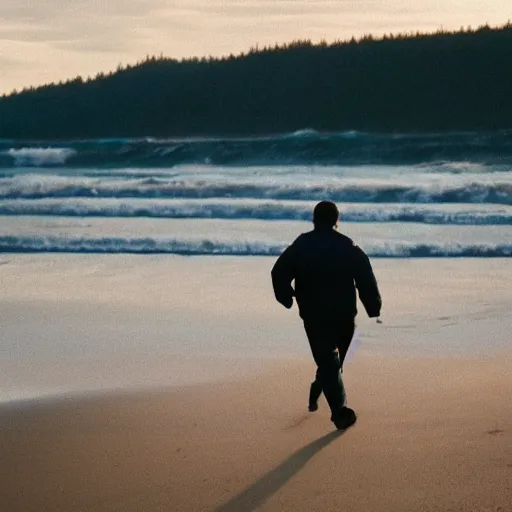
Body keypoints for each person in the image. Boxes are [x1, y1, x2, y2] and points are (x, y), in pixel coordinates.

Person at [271, 200, 382, 430]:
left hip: (314, 315)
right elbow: (365, 276)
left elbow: (279, 271)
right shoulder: (347, 245)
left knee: (330, 362)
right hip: (343, 315)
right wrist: (373, 307)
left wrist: (286, 297)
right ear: (336, 221)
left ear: (314, 219)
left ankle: (321, 382)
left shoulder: (302, 245)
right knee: (331, 361)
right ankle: (339, 411)